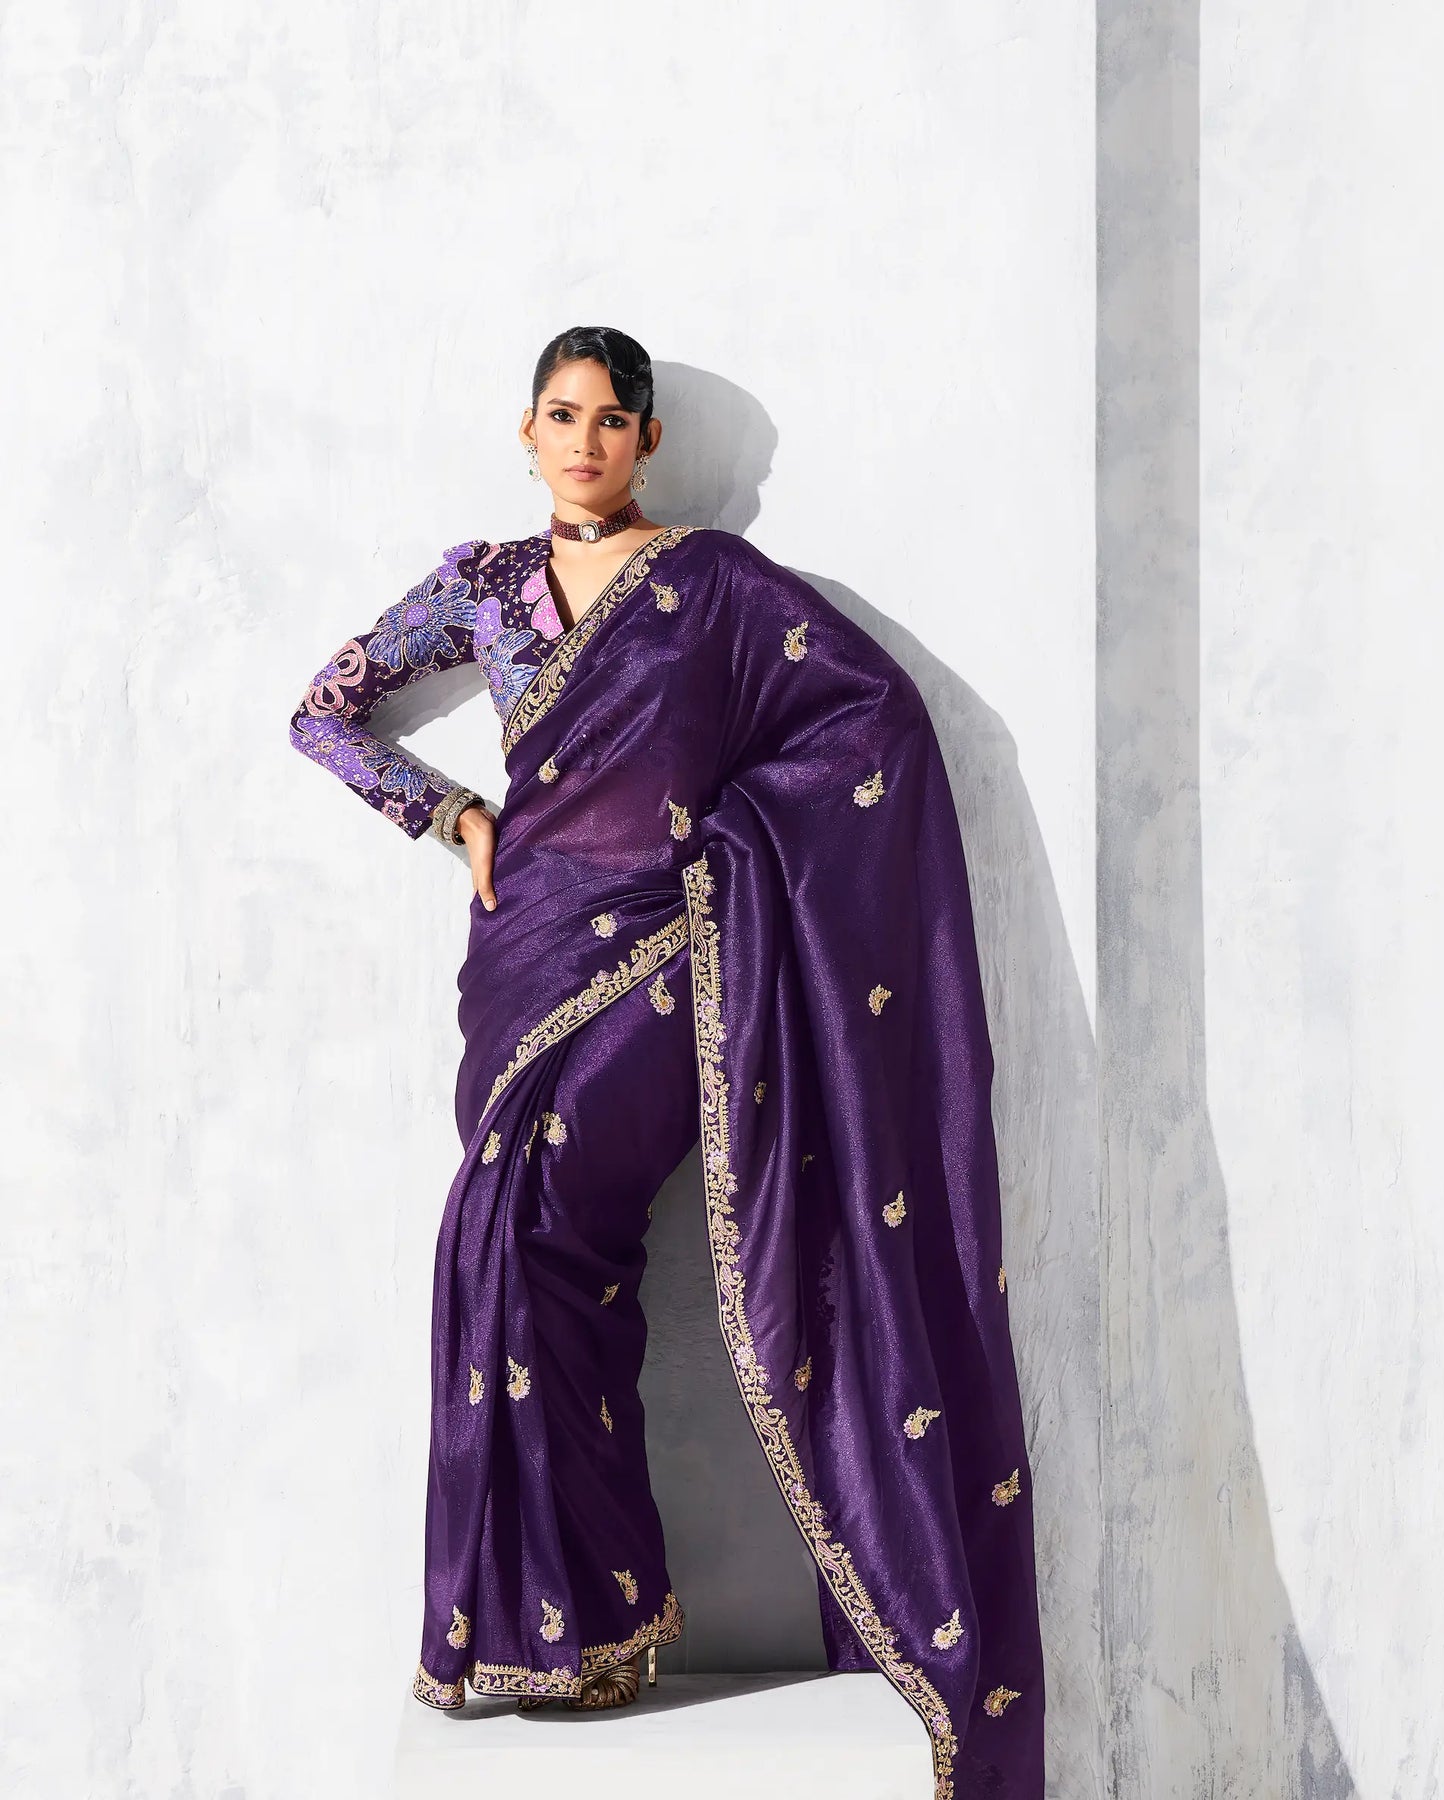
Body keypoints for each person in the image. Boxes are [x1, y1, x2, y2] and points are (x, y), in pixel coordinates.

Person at [289, 326, 1046, 1799]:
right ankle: (589, 1625)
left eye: (610, 419)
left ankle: (598, 1616)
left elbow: (869, 715)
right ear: (524, 431)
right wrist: (453, 816)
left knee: (549, 1227)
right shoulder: (479, 585)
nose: (584, 441)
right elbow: (324, 713)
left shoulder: (714, 584)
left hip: (666, 943)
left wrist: (735, 849)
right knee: (524, 1254)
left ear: (645, 441)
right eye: (560, 415)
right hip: (526, 950)